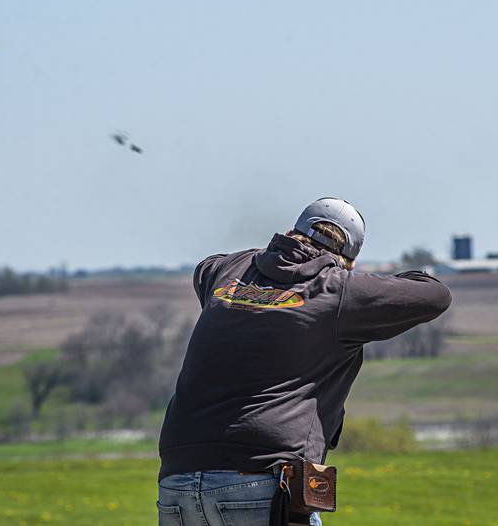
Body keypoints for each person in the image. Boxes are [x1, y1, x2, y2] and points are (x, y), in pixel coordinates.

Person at [157, 197, 452, 526]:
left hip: (177, 484)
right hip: (263, 480)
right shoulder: (337, 289)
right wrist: (363, 280)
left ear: (290, 231)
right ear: (348, 260)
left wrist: (267, 263)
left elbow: (206, 267)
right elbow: (435, 294)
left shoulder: (229, 271)